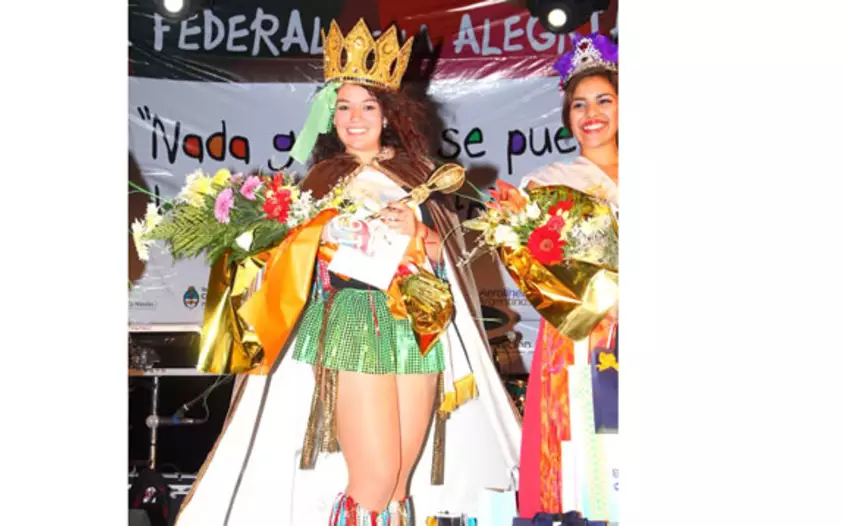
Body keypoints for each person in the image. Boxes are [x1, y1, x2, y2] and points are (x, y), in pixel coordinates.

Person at [173, 19, 522, 526]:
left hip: (417, 326)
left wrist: (418, 234)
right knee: (374, 479)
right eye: (343, 107)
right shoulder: (319, 182)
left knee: (399, 482)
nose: (354, 118)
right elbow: (293, 266)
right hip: (356, 320)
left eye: (367, 106)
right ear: (328, 114)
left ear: (389, 113)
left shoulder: (420, 174)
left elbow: (446, 257)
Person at [516, 33, 620, 523]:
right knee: (586, 453)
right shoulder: (550, 183)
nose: (591, 113)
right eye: (579, 104)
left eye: (604, 100)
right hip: (582, 335)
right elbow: (538, 268)